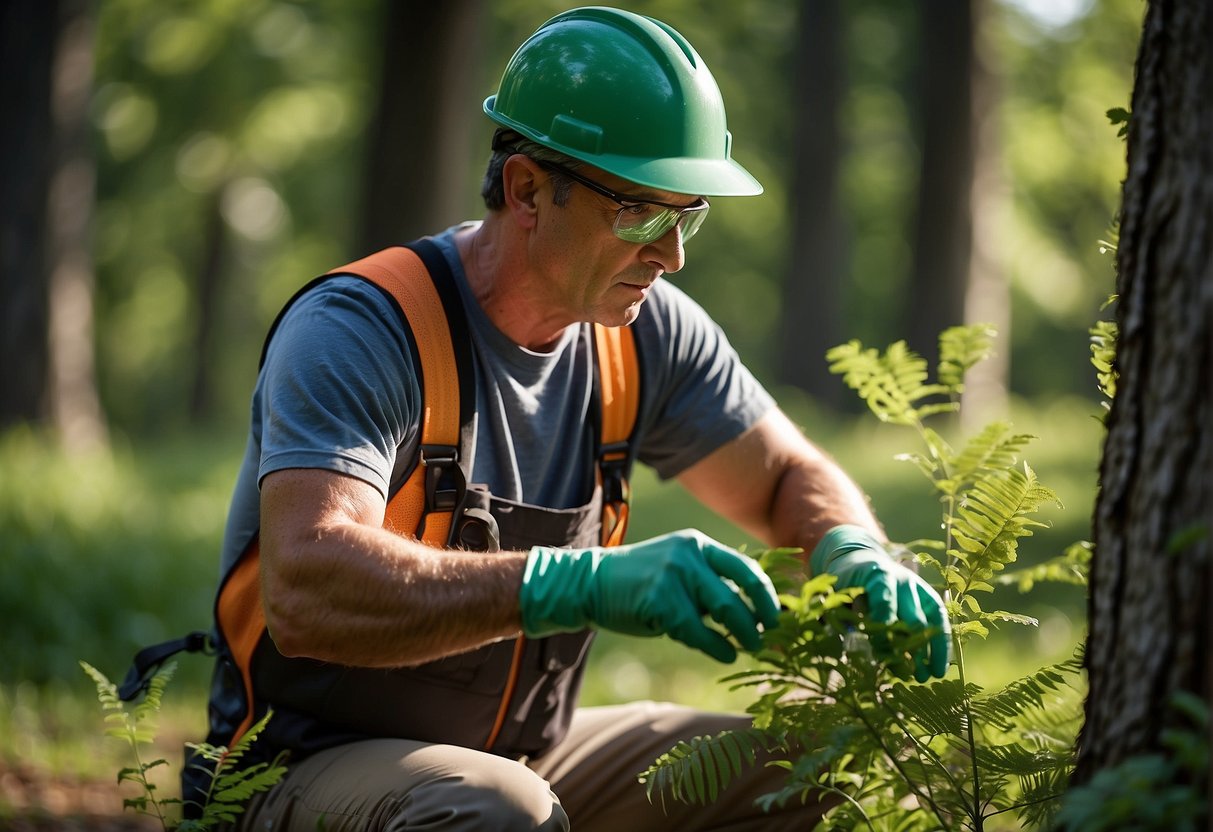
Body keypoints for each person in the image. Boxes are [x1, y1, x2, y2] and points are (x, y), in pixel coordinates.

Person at [197, 7, 950, 830]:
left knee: (826, 771)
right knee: (496, 811)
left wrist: (850, 545)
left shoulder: (645, 333)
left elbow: (783, 476)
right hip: (296, 769)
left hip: (522, 757)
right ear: (526, 189)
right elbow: (308, 589)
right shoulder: (362, 329)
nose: (672, 256)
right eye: (640, 213)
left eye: (686, 214)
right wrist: (571, 581)